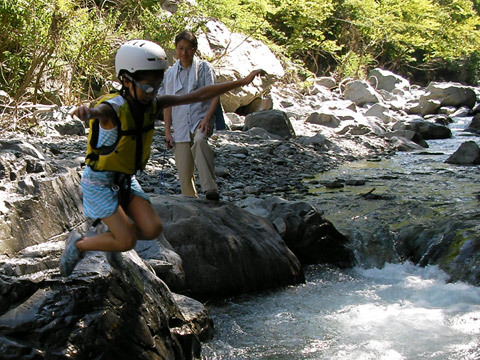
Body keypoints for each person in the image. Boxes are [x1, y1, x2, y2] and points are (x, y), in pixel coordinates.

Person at [60, 39, 264, 276]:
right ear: (126, 80)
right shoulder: (112, 109)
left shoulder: (153, 103)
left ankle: (113, 236)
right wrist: (86, 111)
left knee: (152, 229)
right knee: (126, 241)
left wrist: (243, 82)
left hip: (125, 179)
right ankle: (79, 243)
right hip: (100, 183)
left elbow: (198, 95)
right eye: (148, 88)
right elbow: (97, 111)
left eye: (157, 87)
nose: (153, 93)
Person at [161, 30, 220, 200]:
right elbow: (167, 104)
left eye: (187, 49)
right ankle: (192, 204)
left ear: (194, 49)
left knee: (200, 141)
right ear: (175, 49)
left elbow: (215, 94)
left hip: (199, 120)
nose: (183, 53)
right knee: (184, 172)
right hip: (180, 125)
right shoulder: (170, 74)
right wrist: (167, 132)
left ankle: (210, 189)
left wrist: (207, 118)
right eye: (180, 48)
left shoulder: (204, 68)